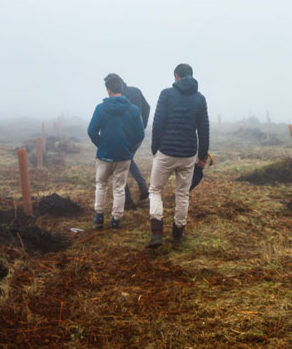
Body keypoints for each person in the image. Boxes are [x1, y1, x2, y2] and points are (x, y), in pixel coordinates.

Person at [146, 63, 209, 248]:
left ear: (176, 76)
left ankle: (157, 233)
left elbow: (158, 124)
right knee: (182, 194)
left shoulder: (166, 94)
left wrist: (155, 148)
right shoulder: (200, 99)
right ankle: (178, 234)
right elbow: (203, 131)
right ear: (191, 76)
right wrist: (202, 156)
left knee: (155, 190)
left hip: (166, 151)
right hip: (188, 154)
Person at [87, 74, 145, 229]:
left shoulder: (100, 108)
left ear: (108, 90)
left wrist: (101, 145)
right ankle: (116, 220)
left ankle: (99, 216)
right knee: (119, 188)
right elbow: (140, 134)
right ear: (122, 89)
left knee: (101, 185)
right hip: (124, 156)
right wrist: (129, 149)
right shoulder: (133, 110)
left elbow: (92, 131)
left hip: (104, 155)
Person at [103, 73, 151, 208]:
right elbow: (147, 108)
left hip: (123, 136)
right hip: (137, 136)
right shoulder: (136, 91)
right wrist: (143, 126)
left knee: (120, 164)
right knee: (127, 159)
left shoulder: (116, 97)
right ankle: (142, 185)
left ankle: (128, 201)